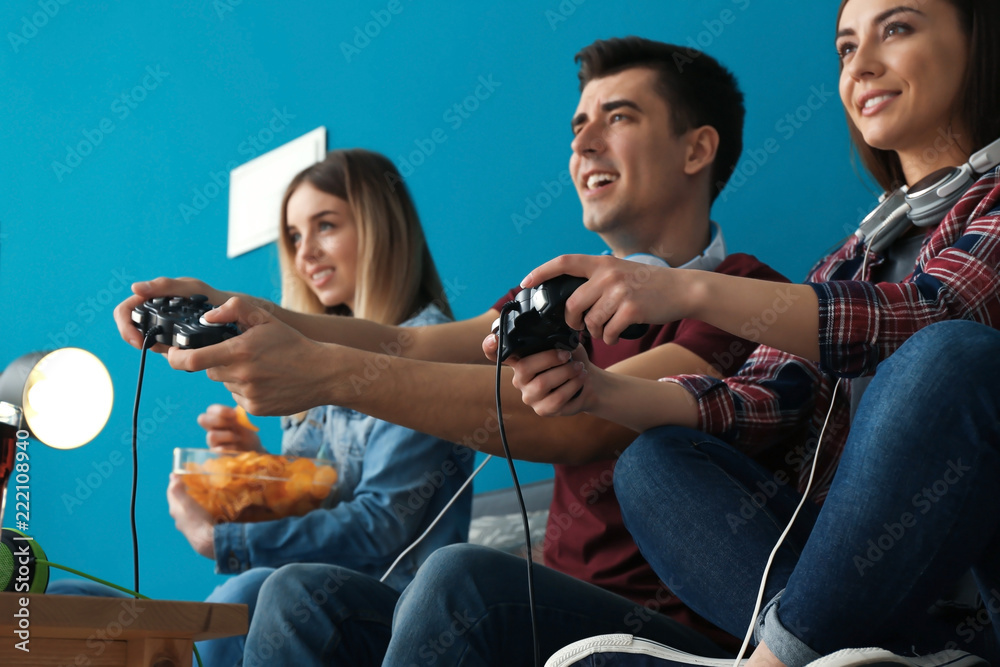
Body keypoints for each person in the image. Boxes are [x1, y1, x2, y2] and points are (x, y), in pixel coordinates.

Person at [113, 38, 788, 664]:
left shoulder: (740, 293)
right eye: (578, 124)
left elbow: (587, 420)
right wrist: (244, 308)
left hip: (671, 636)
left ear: (697, 149)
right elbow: (406, 341)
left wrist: (326, 374)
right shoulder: (557, 293)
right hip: (558, 615)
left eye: (617, 117)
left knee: (461, 576)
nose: (583, 139)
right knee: (294, 593)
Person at [496, 1, 1000, 665]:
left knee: (945, 357)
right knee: (652, 460)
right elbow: (758, 400)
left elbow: (935, 314)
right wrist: (599, 391)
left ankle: (779, 656)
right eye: (846, 48)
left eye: (896, 28)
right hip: (856, 596)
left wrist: (688, 287)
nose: (861, 66)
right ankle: (839, 645)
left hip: (962, 587)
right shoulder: (848, 258)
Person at [59, 149, 477, 667]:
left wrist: (226, 540)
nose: (306, 255)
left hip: (382, 603)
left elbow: (382, 525)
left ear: (381, 229)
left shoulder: (429, 349)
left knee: (252, 590)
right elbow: (325, 494)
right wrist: (261, 470)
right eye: (296, 237)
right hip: (297, 594)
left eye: (325, 226)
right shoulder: (313, 361)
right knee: (70, 599)